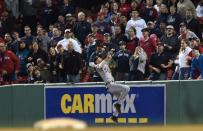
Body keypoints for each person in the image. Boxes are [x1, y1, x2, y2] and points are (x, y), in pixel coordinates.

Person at [89, 53, 130, 123]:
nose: (99, 58)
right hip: (110, 84)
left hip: (112, 83)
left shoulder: (104, 63)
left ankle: (114, 116)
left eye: (98, 58)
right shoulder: (98, 66)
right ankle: (117, 104)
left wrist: (109, 55)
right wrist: (96, 63)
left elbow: (108, 59)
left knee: (121, 99)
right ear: (96, 61)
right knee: (127, 88)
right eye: (97, 59)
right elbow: (93, 64)